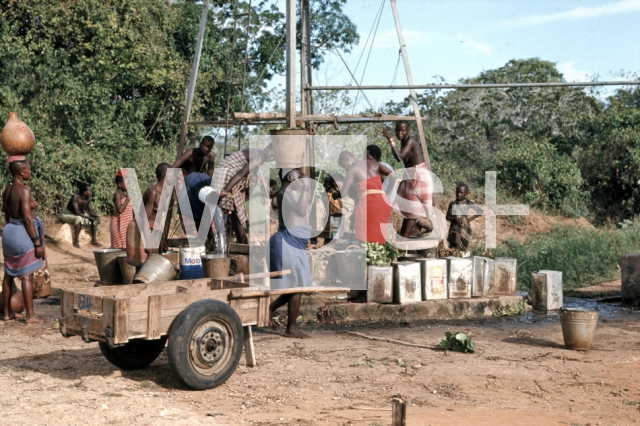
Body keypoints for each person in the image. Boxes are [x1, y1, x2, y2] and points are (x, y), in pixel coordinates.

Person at [268, 168, 313, 339]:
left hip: (294, 242)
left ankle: (271, 309)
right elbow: (301, 211)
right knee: (297, 284)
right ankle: (290, 329)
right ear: (290, 177)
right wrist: (307, 187)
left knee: (296, 285)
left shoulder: (289, 194)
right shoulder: (283, 193)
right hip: (288, 242)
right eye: (300, 177)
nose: (303, 181)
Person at [2, 160, 46, 323]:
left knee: (8, 275)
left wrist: (11, 231)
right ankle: (30, 315)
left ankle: (7, 314)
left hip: (9, 232)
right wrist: (37, 242)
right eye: (28, 169)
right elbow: (27, 218)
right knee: (27, 274)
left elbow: (6, 214)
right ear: (21, 172)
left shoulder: (7, 190)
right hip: (22, 233)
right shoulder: (23, 191)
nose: (30, 172)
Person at [214, 144, 275, 244]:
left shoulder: (258, 152)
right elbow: (241, 173)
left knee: (235, 211)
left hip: (222, 172)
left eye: (273, 159)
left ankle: (240, 242)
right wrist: (226, 190)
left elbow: (249, 174)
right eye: (272, 155)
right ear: (267, 148)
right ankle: (242, 242)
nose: (271, 158)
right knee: (238, 210)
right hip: (228, 174)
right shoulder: (260, 157)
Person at [382, 122, 433, 238]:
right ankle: (408, 233)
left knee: (413, 210)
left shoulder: (410, 141)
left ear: (408, 131)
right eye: (398, 130)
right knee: (408, 208)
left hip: (419, 176)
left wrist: (390, 139)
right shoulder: (404, 142)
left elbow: (400, 157)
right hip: (410, 175)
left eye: (403, 131)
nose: (400, 133)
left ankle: (404, 237)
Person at [335, 151, 394, 245]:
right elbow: (393, 176)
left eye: (343, 165)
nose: (345, 169)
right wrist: (388, 192)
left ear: (347, 158)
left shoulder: (352, 170)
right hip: (383, 202)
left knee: (364, 236)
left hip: (368, 204)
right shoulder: (373, 163)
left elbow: (343, 193)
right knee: (381, 235)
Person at [126, 163, 170, 266]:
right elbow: (144, 218)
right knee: (143, 265)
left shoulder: (166, 192)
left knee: (154, 266)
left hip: (155, 231)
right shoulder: (153, 192)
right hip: (144, 231)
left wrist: (163, 239)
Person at [60, 183, 102, 248]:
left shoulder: (88, 199)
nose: (91, 192)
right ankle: (76, 241)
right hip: (68, 214)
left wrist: (96, 216)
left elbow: (91, 212)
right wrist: (89, 217)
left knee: (94, 219)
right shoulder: (75, 197)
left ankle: (94, 240)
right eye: (90, 191)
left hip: (79, 214)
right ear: (85, 192)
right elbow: (77, 212)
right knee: (78, 218)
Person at [446, 183, 481, 255]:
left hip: (464, 230)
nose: (459, 194)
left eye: (461, 192)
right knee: (453, 250)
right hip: (454, 230)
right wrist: (454, 219)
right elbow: (447, 217)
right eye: (457, 192)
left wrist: (470, 219)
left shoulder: (468, 203)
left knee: (463, 251)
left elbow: (480, 211)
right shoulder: (452, 204)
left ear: (466, 193)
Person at [109, 170, 133, 249]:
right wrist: (128, 199)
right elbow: (119, 210)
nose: (129, 185)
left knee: (127, 248)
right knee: (119, 248)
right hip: (119, 224)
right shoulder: (117, 194)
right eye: (127, 183)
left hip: (126, 225)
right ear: (119, 184)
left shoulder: (125, 194)